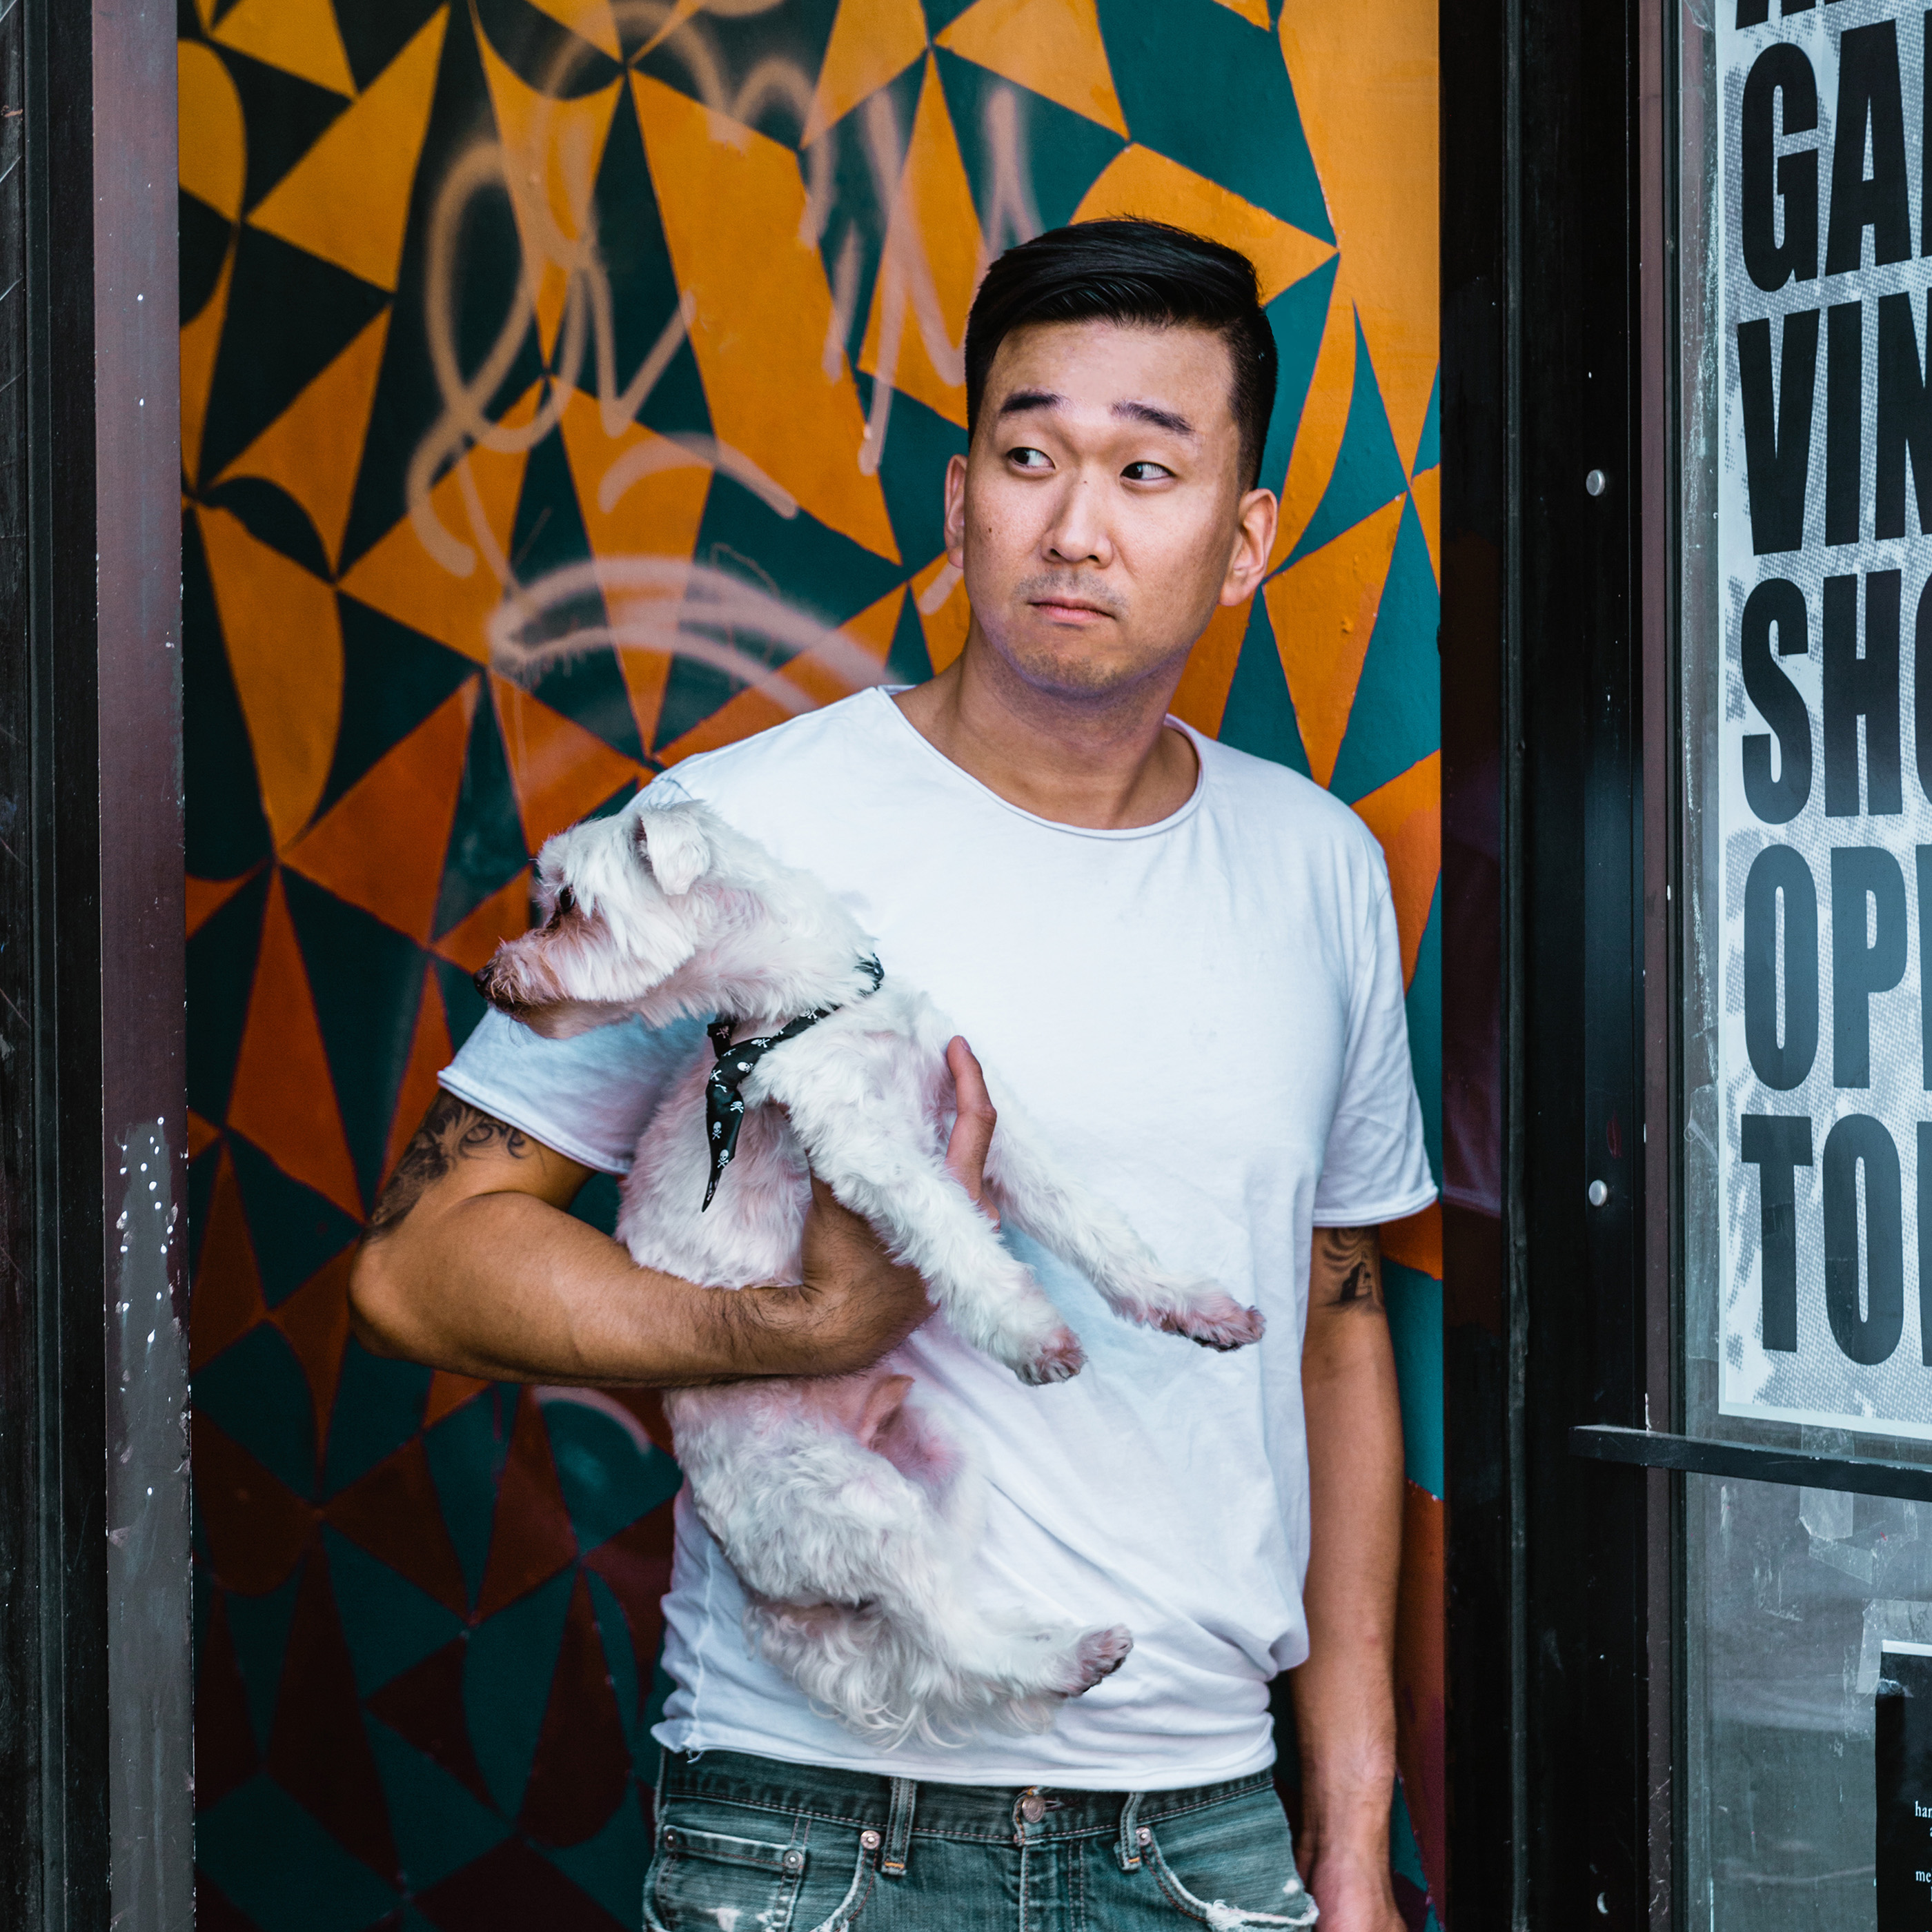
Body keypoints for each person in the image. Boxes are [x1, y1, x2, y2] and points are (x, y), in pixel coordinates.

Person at [351, 218, 1432, 1932]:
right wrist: (783, 1328)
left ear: (1243, 541)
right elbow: (419, 1262)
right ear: (956, 500)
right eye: (1027, 455)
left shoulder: (1316, 870)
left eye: (1145, 470)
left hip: (1204, 1834)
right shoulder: (741, 833)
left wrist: (1351, 1833)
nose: (1073, 524)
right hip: (814, 1834)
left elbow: (1334, 1327)